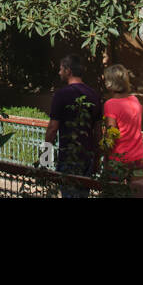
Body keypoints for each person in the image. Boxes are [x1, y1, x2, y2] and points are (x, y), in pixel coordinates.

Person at [44, 54, 101, 198]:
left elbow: (52, 128)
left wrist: (45, 156)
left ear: (68, 71)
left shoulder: (61, 95)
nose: (59, 72)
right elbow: (98, 131)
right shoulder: (94, 95)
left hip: (68, 157)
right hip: (87, 158)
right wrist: (97, 158)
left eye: (61, 69)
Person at [101, 64, 143, 179]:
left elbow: (111, 133)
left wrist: (104, 156)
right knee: (137, 193)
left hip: (119, 160)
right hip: (139, 159)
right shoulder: (135, 101)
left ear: (110, 82)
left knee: (115, 192)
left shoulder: (110, 104)